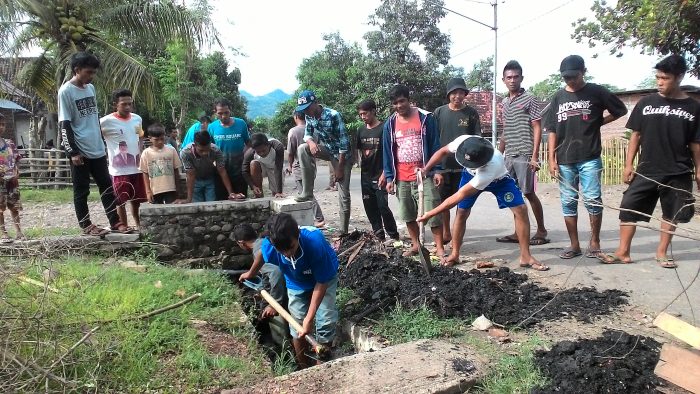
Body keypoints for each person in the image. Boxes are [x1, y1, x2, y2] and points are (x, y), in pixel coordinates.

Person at [600, 55, 700, 268]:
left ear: (679, 77)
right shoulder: (646, 102)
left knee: (672, 212)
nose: (660, 82)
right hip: (647, 169)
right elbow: (635, 135)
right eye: (657, 77)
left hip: (678, 170)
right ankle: (623, 252)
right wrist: (628, 165)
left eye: (665, 78)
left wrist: (699, 170)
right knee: (628, 207)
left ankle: (662, 253)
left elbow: (695, 144)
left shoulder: (693, 107)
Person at [419, 135, 549, 270]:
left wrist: (430, 214)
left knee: (521, 209)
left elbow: (459, 195)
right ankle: (455, 254)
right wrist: (426, 169)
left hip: (499, 180)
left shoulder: (492, 164)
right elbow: (442, 152)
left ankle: (525, 256)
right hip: (469, 175)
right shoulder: (463, 142)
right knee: (462, 212)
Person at [545, 55, 627, 260]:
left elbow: (620, 110)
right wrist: (551, 160)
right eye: (566, 78)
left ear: (584, 71)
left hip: (589, 157)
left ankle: (595, 242)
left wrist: (597, 122)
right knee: (568, 201)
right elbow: (552, 130)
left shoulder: (596, 91)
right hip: (564, 159)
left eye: (574, 76)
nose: (570, 81)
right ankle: (574, 245)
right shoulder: (558, 97)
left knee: (593, 200)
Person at [239, 213, 339, 368]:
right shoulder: (270, 246)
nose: (287, 253)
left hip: (323, 278)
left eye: (290, 247)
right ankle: (303, 368)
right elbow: (262, 256)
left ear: (297, 235)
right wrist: (251, 273)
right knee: (297, 324)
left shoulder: (314, 242)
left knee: (325, 320)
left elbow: (322, 282)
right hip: (296, 282)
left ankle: (322, 368)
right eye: (281, 250)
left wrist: (309, 318)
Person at [58, 52, 126, 236]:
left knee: (106, 186)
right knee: (82, 190)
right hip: (80, 149)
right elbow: (64, 123)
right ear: (77, 70)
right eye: (88, 72)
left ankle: (115, 221)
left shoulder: (91, 89)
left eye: (93, 73)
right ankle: (86, 225)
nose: (91, 76)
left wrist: (101, 141)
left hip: (96, 147)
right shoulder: (65, 91)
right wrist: (72, 151)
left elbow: (94, 117)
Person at [382, 84, 445, 259]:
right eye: (395, 103)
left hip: (424, 174)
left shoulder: (425, 118)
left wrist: (437, 170)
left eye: (402, 101)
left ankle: (439, 248)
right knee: (407, 213)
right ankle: (416, 245)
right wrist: (389, 178)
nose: (399, 106)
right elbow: (387, 152)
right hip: (401, 176)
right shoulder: (390, 124)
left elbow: (435, 145)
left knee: (433, 211)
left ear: (409, 100)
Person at [497, 61, 549, 245]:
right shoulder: (504, 102)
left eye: (516, 77)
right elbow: (505, 130)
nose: (512, 80)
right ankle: (518, 231)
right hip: (509, 155)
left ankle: (541, 230)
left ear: (521, 78)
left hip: (525, 153)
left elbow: (537, 127)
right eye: (509, 77)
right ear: (503, 80)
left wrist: (535, 156)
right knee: (513, 193)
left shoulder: (529, 99)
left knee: (528, 192)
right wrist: (498, 155)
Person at [433, 77, 481, 253]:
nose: (457, 96)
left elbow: (477, 138)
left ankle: (456, 235)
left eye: (461, 93)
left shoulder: (471, 113)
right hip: (444, 165)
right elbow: (433, 138)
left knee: (462, 202)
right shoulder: (439, 113)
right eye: (454, 93)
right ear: (448, 95)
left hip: (465, 166)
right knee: (443, 200)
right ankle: (446, 233)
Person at [294, 90, 353, 234]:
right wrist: (311, 142)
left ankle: (343, 230)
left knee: (343, 193)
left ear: (315, 103)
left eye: (308, 107)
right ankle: (307, 192)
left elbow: (344, 144)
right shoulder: (309, 116)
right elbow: (307, 134)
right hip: (328, 150)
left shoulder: (333, 115)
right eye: (304, 109)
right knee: (303, 148)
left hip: (342, 155)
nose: (306, 111)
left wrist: (338, 169)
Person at [100, 89, 147, 230]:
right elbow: (95, 135)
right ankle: (124, 226)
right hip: (119, 170)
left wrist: (141, 152)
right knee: (120, 201)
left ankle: (139, 226)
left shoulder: (137, 119)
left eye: (130, 104)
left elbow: (140, 136)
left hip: (137, 167)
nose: (127, 107)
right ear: (115, 104)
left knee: (137, 200)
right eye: (124, 104)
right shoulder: (105, 122)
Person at [356, 99, 400, 242]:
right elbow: (359, 150)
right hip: (366, 176)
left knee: (382, 206)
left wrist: (385, 174)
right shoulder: (360, 130)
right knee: (370, 207)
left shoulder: (384, 128)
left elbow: (390, 153)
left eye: (365, 113)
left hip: (380, 174)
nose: (363, 117)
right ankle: (379, 234)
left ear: (373, 111)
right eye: (361, 114)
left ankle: (393, 235)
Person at [233, 223, 286, 319]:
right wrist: (263, 293)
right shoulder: (264, 242)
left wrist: (275, 304)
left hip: (287, 288)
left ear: (241, 242)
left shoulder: (258, 250)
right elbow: (267, 275)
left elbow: (276, 273)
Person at [179, 131, 243, 203]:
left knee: (212, 204)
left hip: (210, 179)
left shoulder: (216, 150)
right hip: (195, 181)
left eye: (207, 149)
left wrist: (231, 193)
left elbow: (222, 171)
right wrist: (188, 199)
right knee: (197, 206)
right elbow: (191, 174)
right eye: (201, 150)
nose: (205, 153)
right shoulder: (185, 153)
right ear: (195, 145)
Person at [287, 111, 325, 227]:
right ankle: (313, 218)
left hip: (299, 167)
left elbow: (290, 152)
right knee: (307, 192)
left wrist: (290, 165)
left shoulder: (293, 131)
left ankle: (319, 218)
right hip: (312, 165)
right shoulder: (313, 129)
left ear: (296, 117)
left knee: (306, 193)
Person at [208, 99, 249, 200]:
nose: (224, 116)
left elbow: (249, 144)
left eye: (226, 112)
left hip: (239, 172)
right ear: (215, 113)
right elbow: (209, 148)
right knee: (222, 201)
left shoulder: (241, 124)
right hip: (220, 172)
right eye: (220, 113)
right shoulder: (212, 127)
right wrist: (213, 162)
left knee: (241, 200)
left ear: (230, 110)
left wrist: (246, 160)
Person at [139, 123, 184, 204]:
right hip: (155, 190)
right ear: (150, 138)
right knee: (157, 213)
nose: (160, 142)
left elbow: (176, 170)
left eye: (162, 139)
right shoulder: (146, 153)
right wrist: (148, 191)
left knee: (171, 211)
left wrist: (178, 188)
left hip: (170, 188)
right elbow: (145, 173)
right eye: (156, 139)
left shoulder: (171, 150)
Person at [0, 114, 25, 242]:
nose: (1, 127)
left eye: (3, 124)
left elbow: (17, 159)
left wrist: (17, 170)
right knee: (0, 208)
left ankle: (19, 231)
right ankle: (3, 233)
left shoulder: (9, 143)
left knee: (14, 206)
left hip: (12, 181)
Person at [242, 133, 285, 198]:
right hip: (262, 166)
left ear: (268, 145)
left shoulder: (277, 146)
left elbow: (278, 167)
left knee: (276, 193)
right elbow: (244, 171)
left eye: (264, 150)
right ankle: (259, 194)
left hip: (275, 167)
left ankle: (275, 192)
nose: (262, 153)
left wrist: (279, 192)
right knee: (253, 164)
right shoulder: (250, 153)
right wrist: (253, 186)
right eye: (258, 152)